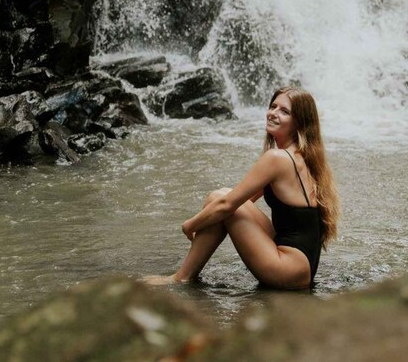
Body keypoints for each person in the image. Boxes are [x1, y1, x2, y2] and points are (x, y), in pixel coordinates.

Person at [145, 86, 339, 289]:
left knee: (218, 199)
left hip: (288, 270)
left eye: (284, 111)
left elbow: (226, 205)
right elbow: (242, 200)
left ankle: (181, 278)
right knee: (221, 200)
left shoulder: (278, 158)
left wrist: (189, 226)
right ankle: (185, 274)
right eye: (273, 106)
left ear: (299, 122)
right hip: (302, 266)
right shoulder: (302, 156)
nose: (273, 113)